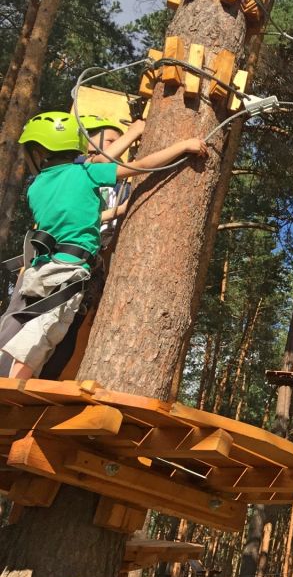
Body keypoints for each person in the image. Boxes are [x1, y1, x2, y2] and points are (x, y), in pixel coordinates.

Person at [0, 110, 207, 379]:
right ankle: (15, 387)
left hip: (43, 264)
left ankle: (13, 380)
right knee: (46, 329)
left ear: (39, 152)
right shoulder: (86, 173)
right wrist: (183, 145)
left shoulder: (36, 187)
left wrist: (117, 211)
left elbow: (77, 214)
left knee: (25, 322)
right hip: (70, 268)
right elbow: (138, 166)